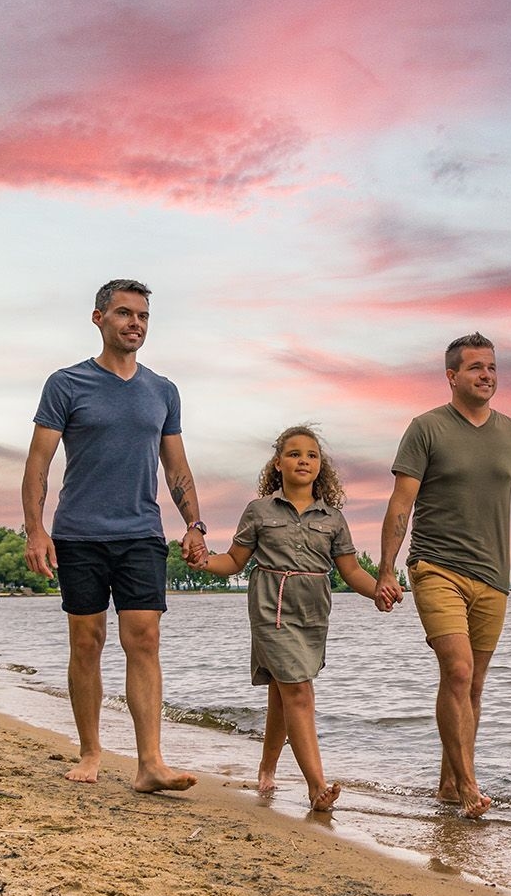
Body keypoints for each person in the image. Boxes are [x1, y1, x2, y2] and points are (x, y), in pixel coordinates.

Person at [375, 333, 511, 818]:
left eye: (492, 367)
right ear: (452, 376)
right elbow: (400, 505)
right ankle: (470, 785)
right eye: (475, 367)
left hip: (494, 577)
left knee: (473, 687)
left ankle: (450, 784)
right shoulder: (426, 428)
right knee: (457, 670)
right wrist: (387, 568)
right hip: (435, 567)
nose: (486, 375)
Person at [22, 278, 205, 792]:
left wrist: (194, 524)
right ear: (99, 318)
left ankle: (150, 763)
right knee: (87, 640)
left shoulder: (162, 391)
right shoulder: (66, 384)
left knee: (144, 638)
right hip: (78, 534)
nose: (135, 324)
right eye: (124, 313)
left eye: (143, 316)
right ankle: (90, 751)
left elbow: (178, 468)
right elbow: (39, 462)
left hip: (141, 532)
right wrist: (35, 530)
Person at [197, 425, 383, 812]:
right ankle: (316, 788)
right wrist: (203, 561)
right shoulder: (260, 511)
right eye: (295, 454)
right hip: (271, 607)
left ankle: (267, 767)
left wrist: (378, 590)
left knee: (283, 695)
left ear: (321, 467)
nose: (303, 460)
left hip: (313, 612)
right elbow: (233, 561)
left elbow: (351, 571)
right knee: (299, 692)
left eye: (312, 455)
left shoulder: (332, 518)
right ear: (278, 463)